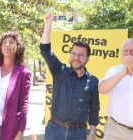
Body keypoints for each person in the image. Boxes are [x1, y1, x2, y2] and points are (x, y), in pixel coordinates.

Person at [40, 11, 100, 140]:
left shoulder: (93, 81)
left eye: (81, 55)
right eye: (73, 54)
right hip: (54, 129)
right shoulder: (59, 70)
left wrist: (92, 133)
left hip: (79, 132)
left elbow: (94, 109)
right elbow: (45, 50)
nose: (76, 58)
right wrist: (47, 25)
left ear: (87, 59)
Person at [0, 31, 31, 140]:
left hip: (6, 127)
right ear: (0, 47)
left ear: (18, 48)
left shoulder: (23, 73)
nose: (7, 45)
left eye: (11, 42)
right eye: (4, 42)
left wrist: (20, 132)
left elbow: (23, 104)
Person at [98, 38, 133, 140]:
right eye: (125, 51)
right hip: (115, 131)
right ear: (121, 53)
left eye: (132, 51)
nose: (129, 54)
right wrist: (122, 74)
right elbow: (101, 89)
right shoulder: (114, 70)